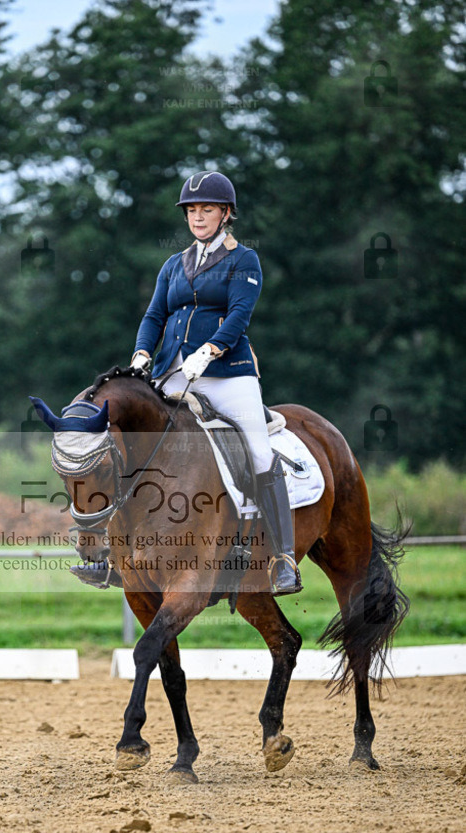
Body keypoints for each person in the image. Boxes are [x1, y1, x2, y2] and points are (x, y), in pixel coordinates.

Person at [129, 170, 302, 595]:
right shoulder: (174, 264)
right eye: (192, 210)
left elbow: (240, 315)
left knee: (260, 451)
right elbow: (155, 316)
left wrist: (206, 353)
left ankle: (283, 558)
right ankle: (113, 553)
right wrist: (142, 355)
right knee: (132, 436)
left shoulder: (244, 260)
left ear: (225, 213)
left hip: (227, 374)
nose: (198, 216)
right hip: (172, 373)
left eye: (207, 209)